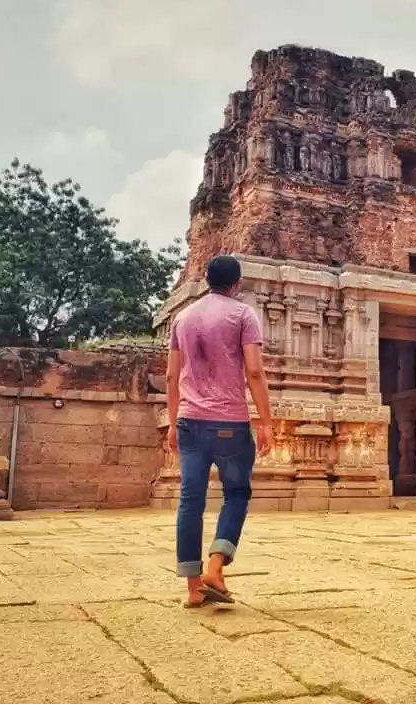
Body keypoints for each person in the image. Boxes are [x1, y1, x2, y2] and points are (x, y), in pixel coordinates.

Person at [165, 254, 273, 607]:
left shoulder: (181, 318)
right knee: (236, 494)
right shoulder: (242, 314)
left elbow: (171, 375)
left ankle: (194, 589)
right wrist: (267, 422)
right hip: (229, 421)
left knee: (190, 500)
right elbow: (254, 372)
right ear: (236, 283)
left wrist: (171, 421)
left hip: (188, 420)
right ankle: (215, 566)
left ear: (207, 279)